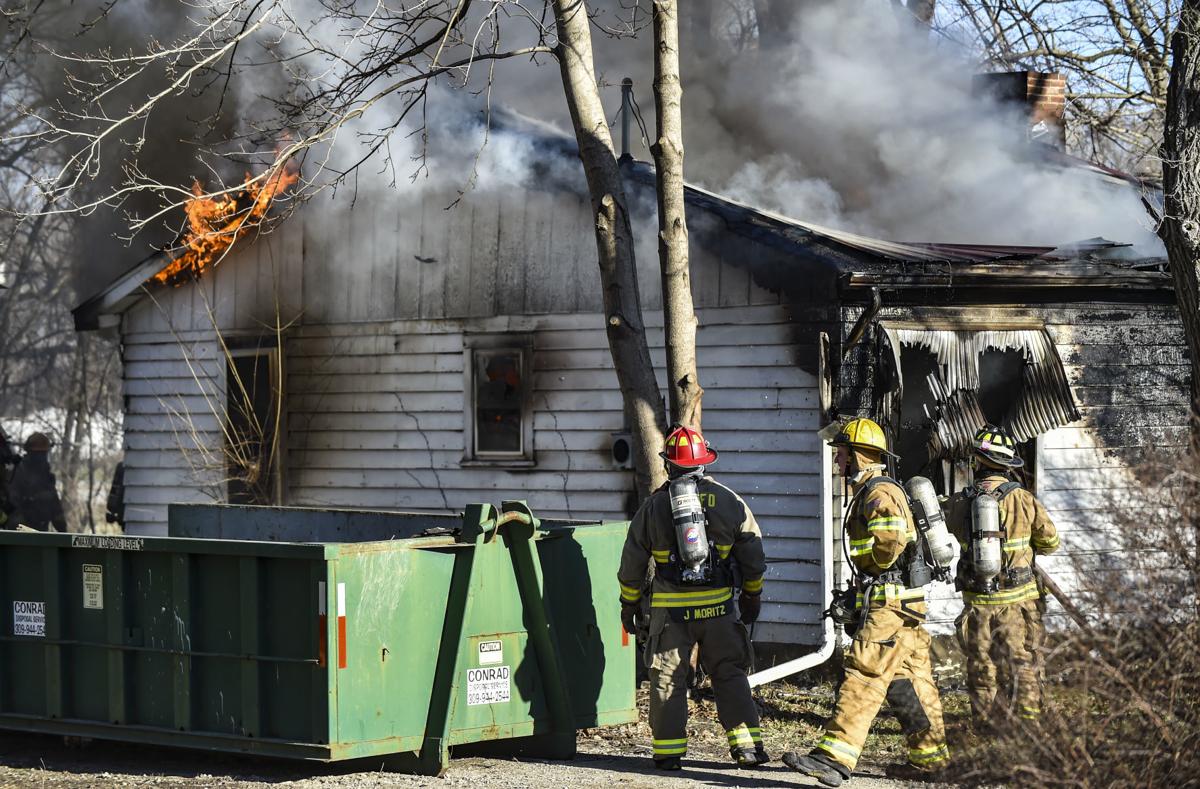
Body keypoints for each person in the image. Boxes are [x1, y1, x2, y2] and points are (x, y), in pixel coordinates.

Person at [783, 417, 949, 787]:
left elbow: (889, 545)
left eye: (841, 453)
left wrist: (871, 576)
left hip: (890, 604)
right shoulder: (873, 490)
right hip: (903, 602)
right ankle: (932, 758)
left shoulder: (879, 493)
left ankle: (834, 757)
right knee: (910, 681)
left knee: (865, 673)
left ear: (859, 455)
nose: (838, 460)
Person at [616, 425, 768, 771]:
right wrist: (752, 596)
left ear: (669, 464)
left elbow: (632, 564)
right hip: (719, 611)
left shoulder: (654, 507)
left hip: (671, 615)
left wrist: (629, 604)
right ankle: (747, 748)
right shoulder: (730, 501)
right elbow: (753, 555)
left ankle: (669, 752)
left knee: (668, 678)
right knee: (729, 673)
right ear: (704, 462)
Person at [944, 424, 1059, 726]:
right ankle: (1030, 725)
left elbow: (954, 534)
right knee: (1022, 662)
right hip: (1018, 602)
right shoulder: (1022, 499)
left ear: (977, 462)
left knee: (982, 665)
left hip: (977, 600)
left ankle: (985, 726)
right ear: (1007, 465)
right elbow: (1050, 542)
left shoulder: (960, 501)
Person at [7, 432, 67, 532]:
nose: (41, 458)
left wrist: (64, 533)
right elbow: (13, 507)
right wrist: (23, 531)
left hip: (41, 532)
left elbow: (55, 507)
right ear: (30, 453)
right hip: (20, 535)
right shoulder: (17, 473)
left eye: (43, 454)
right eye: (38, 454)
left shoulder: (46, 477)